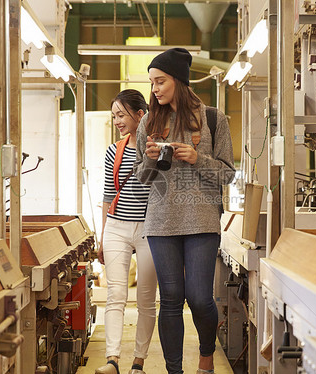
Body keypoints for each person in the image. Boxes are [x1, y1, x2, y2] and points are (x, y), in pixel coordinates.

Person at [133, 48, 236, 374]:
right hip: (162, 223)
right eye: (151, 83)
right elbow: (142, 178)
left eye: (160, 81)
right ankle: (173, 370)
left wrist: (195, 158)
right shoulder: (148, 122)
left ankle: (206, 357)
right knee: (172, 298)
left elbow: (227, 173)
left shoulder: (213, 119)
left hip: (202, 220)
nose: (155, 89)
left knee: (200, 297)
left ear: (178, 80)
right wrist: (151, 158)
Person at [97, 89, 157, 374]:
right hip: (117, 227)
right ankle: (112, 359)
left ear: (140, 114)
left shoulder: (158, 149)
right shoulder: (114, 150)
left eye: (121, 115)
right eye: (114, 116)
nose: (117, 121)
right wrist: (102, 235)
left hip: (149, 229)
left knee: (146, 298)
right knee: (115, 294)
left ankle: (138, 362)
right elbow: (108, 195)